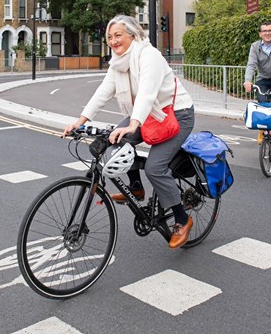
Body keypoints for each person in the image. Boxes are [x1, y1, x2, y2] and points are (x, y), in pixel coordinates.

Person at [62, 15, 195, 249]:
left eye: (118, 35)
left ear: (132, 35)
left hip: (176, 114)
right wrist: (80, 121)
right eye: (110, 37)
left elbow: (147, 93)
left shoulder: (148, 55)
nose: (113, 41)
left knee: (155, 167)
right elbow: (103, 92)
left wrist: (133, 124)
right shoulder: (118, 63)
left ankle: (182, 219)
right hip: (147, 115)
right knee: (110, 144)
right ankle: (136, 188)